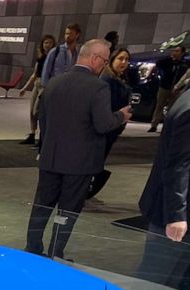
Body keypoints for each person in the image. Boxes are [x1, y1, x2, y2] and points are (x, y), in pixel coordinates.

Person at [25, 39, 130, 259]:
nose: (104, 64)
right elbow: (103, 124)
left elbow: (42, 120)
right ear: (94, 58)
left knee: (42, 206)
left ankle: (32, 249)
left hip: (50, 158)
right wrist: (121, 116)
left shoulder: (54, 82)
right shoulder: (98, 87)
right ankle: (56, 252)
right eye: (104, 59)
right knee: (68, 209)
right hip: (79, 163)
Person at [135, 86, 190, 290]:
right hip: (173, 214)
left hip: (176, 211)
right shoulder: (189, 107)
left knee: (166, 283)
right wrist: (177, 214)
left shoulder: (186, 97)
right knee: (154, 281)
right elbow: (178, 165)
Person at [88, 47, 132, 199]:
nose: (124, 62)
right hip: (106, 127)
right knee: (94, 161)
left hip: (113, 127)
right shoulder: (107, 80)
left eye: (127, 59)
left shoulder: (119, 79)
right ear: (112, 60)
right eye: (120, 58)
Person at [19, 35, 57, 145]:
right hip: (37, 83)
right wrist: (25, 88)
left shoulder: (54, 58)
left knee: (38, 111)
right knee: (32, 111)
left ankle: (42, 136)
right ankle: (32, 134)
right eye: (46, 43)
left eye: (50, 43)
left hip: (46, 84)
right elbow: (34, 74)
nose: (48, 45)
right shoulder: (40, 57)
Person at [149, 45, 188, 133]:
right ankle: (154, 125)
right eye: (174, 51)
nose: (175, 53)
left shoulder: (184, 63)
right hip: (165, 86)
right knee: (159, 105)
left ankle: (166, 126)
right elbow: (158, 63)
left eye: (177, 51)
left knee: (172, 108)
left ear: (182, 53)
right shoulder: (168, 61)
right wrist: (170, 59)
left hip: (176, 88)